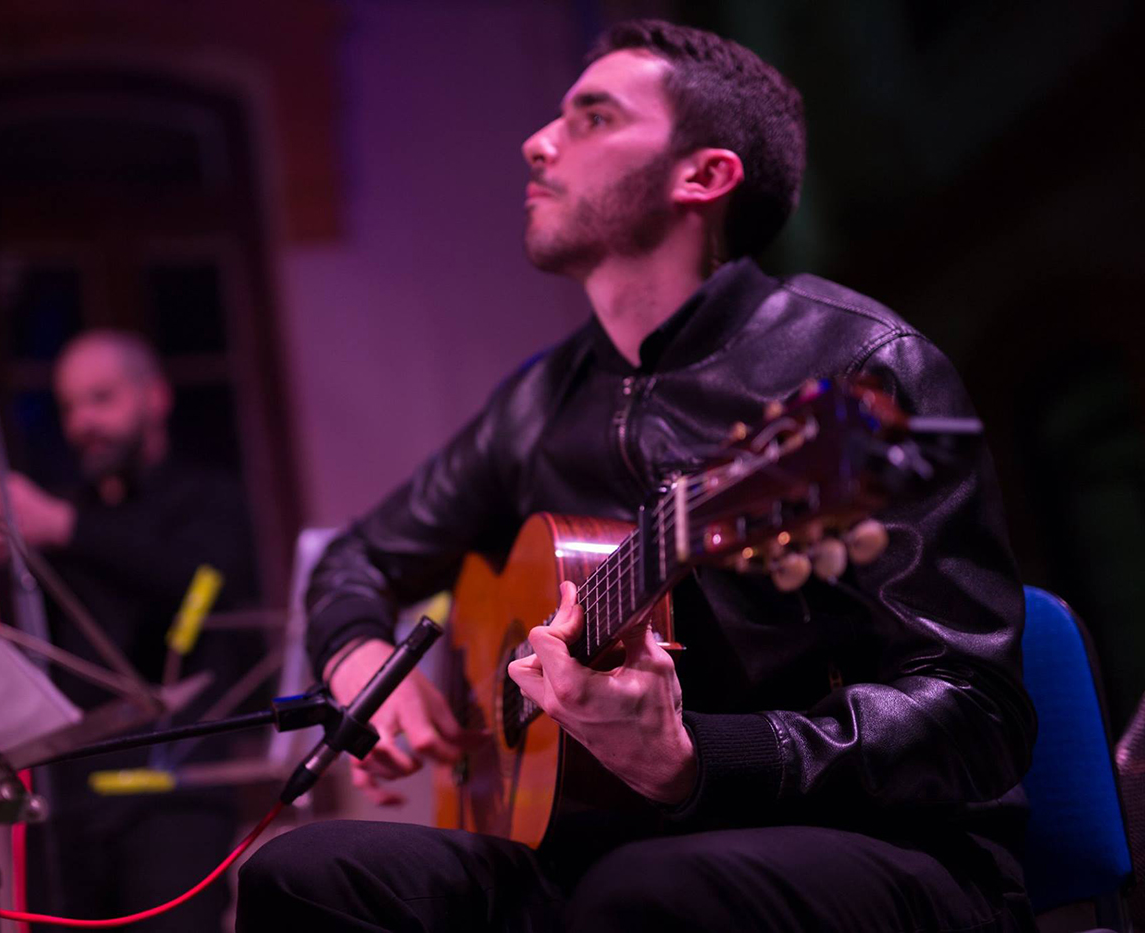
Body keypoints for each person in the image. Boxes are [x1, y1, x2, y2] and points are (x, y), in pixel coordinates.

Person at [237, 19, 1037, 933]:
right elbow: (357, 557)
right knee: (305, 871)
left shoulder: (860, 370)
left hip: (884, 852)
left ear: (704, 175)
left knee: (651, 891)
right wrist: (358, 657)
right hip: (602, 847)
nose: (537, 142)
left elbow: (979, 712)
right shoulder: (537, 402)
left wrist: (706, 757)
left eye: (593, 118)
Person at [0, 330, 261, 931]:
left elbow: (201, 583)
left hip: (176, 802)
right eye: (69, 406)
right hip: (64, 805)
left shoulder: (208, 499)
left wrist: (67, 529)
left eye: (101, 398)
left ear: (156, 397)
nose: (82, 423)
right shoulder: (61, 516)